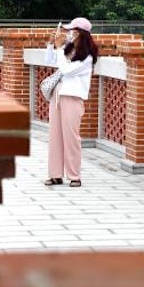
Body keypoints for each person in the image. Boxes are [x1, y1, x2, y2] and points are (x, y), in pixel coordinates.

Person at [44, 17, 99, 187]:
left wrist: (59, 48)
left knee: (71, 137)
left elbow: (66, 70)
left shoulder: (87, 57)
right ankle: (55, 174)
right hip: (57, 95)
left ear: (80, 33)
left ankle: (74, 175)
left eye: (72, 30)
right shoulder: (68, 50)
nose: (68, 33)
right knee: (55, 135)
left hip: (73, 97)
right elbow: (49, 61)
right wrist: (51, 45)